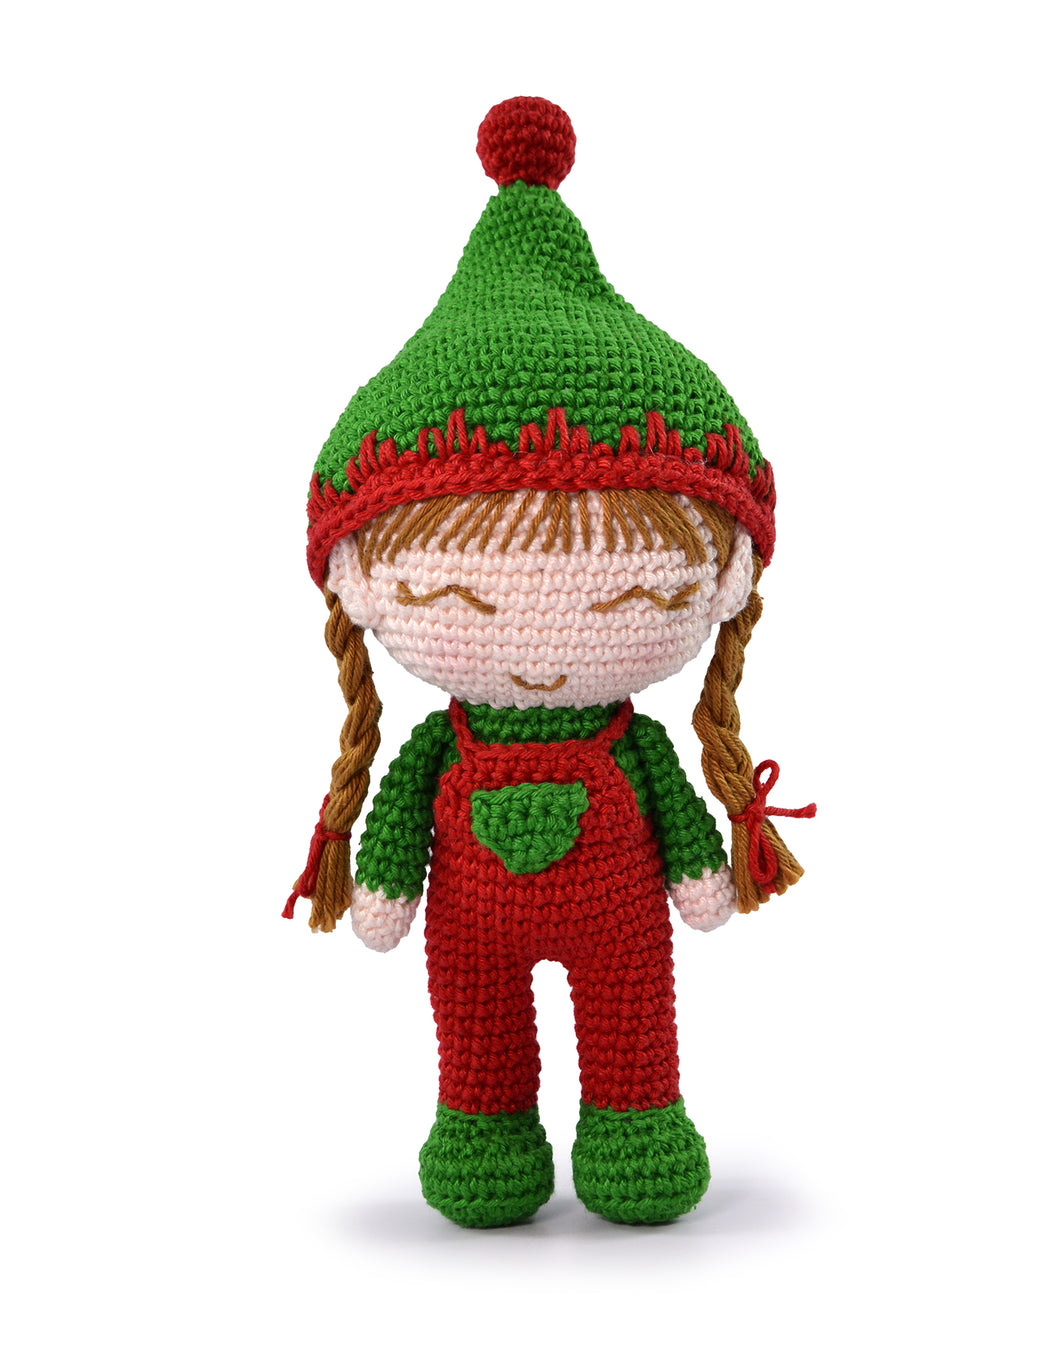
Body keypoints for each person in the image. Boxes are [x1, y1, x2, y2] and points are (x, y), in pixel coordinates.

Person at [286, 97, 813, 1228]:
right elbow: (394, 843)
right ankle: (484, 1124)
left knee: (633, 1010)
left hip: (617, 917)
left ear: (723, 581)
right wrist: (382, 881)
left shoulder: (635, 750)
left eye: (634, 596)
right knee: (474, 1019)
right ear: (360, 584)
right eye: (455, 599)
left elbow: (688, 851)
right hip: (473, 926)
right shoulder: (442, 753)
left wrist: (698, 867)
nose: (533, 642)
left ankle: (635, 1118)